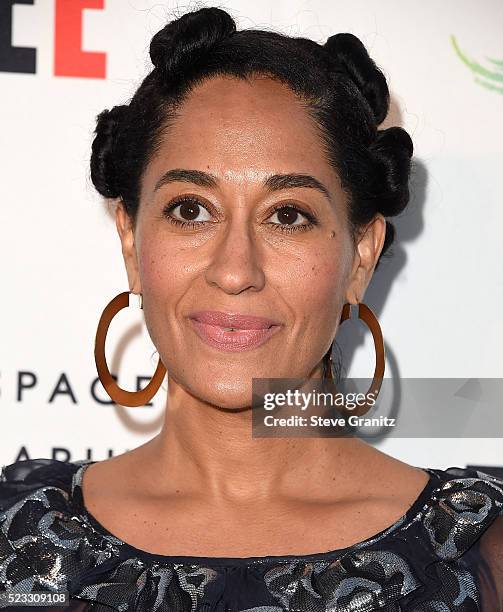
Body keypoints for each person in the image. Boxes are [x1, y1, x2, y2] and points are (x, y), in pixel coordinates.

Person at [1, 7, 502, 611]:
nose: (235, 271)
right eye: (191, 209)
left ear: (361, 255)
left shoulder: (481, 548)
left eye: (288, 215)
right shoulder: (17, 532)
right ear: (131, 241)